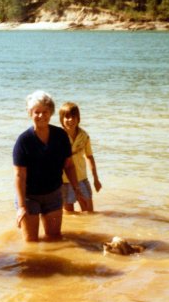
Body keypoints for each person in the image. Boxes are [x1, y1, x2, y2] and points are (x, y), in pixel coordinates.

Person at [13, 91, 86, 242]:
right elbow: (20, 176)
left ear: (51, 112)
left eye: (45, 112)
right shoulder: (23, 141)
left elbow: (69, 166)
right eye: (36, 112)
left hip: (53, 194)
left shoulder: (60, 136)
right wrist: (21, 207)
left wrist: (77, 190)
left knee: (54, 238)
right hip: (29, 197)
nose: (41, 116)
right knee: (31, 243)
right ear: (30, 113)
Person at [59, 102, 102, 212]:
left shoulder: (84, 136)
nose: (71, 120)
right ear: (61, 119)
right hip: (64, 181)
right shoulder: (57, 136)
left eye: (74, 117)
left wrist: (96, 179)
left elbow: (90, 157)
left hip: (82, 179)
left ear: (78, 118)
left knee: (89, 212)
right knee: (69, 214)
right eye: (67, 117)